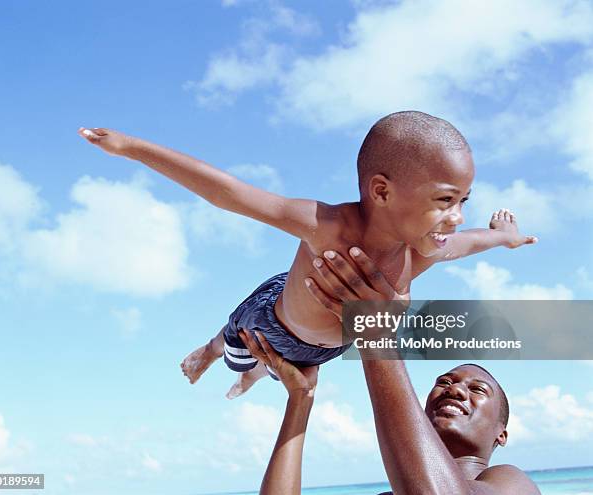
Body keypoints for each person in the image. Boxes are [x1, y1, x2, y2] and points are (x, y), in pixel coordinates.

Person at [78, 111, 537, 398]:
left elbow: (474, 241)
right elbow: (229, 194)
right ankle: (209, 351)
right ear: (381, 191)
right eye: (444, 200)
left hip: (322, 351)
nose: (456, 218)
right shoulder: (329, 225)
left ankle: (254, 377)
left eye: (464, 202)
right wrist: (133, 149)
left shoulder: (421, 250)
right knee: (237, 345)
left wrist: (505, 236)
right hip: (272, 322)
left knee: (272, 374)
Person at [240, 247, 540, 495]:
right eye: (444, 382)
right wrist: (300, 399)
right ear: (419, 415)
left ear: (501, 435)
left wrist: (375, 336)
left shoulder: (512, 483)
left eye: (477, 389)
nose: (455, 389)